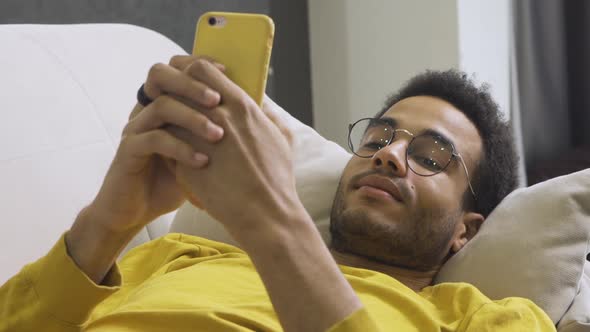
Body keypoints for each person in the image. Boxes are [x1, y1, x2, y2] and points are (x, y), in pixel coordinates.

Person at [0, 55, 555, 332]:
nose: (390, 154)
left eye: (431, 158)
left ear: (467, 229)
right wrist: (108, 220)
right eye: (379, 138)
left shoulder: (481, 317)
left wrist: (270, 219)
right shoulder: (176, 256)